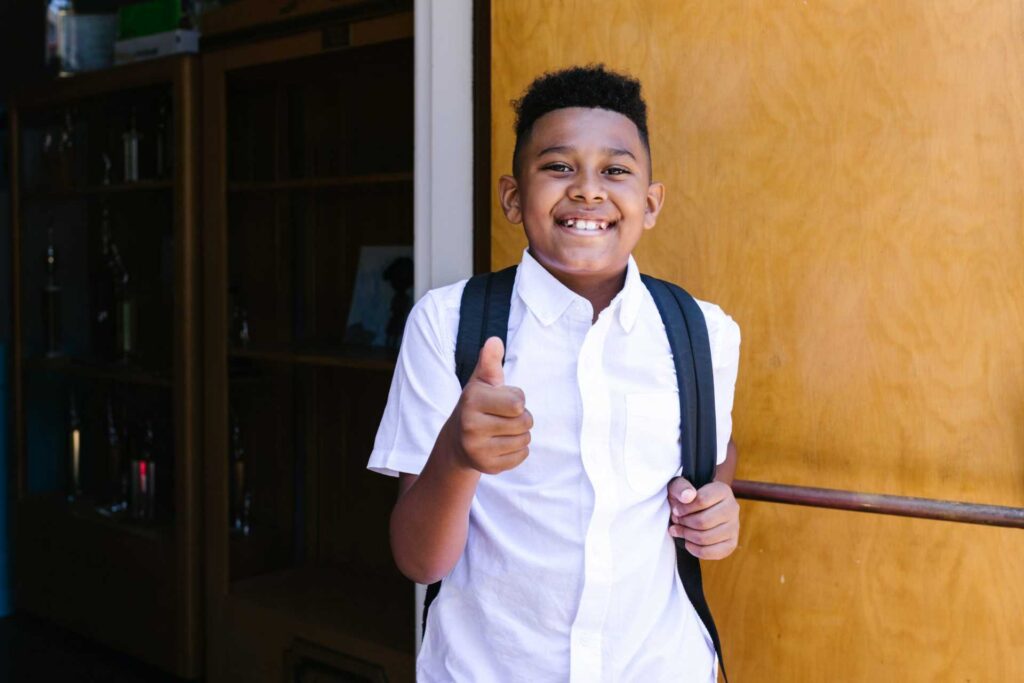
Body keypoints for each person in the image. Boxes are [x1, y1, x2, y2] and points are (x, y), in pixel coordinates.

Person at [368, 64, 741, 682]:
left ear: (650, 204)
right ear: (514, 197)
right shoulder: (447, 323)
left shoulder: (705, 331)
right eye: (559, 166)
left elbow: (716, 444)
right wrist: (458, 456)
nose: (589, 191)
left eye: (615, 170)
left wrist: (716, 499)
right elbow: (418, 560)